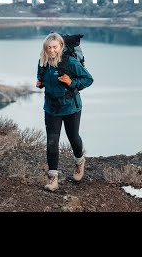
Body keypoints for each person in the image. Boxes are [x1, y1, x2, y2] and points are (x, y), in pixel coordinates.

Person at [36, 32, 94, 192]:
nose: (52, 50)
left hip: (71, 107)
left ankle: (79, 161)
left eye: (54, 47)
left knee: (73, 137)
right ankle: (53, 179)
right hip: (51, 107)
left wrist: (72, 82)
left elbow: (88, 79)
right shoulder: (42, 62)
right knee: (52, 141)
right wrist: (40, 83)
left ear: (61, 46)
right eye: (49, 48)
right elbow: (41, 79)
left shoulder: (71, 62)